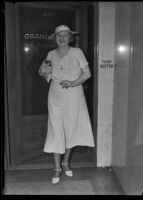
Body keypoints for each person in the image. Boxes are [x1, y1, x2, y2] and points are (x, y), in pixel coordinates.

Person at [39, 25, 95, 184]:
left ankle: (66, 163)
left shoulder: (77, 52)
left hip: (74, 95)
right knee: (56, 129)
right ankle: (57, 168)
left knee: (71, 128)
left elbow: (87, 74)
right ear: (55, 38)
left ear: (70, 37)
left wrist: (72, 83)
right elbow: (44, 71)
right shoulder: (50, 54)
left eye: (65, 35)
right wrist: (44, 70)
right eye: (59, 36)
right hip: (55, 95)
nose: (62, 38)